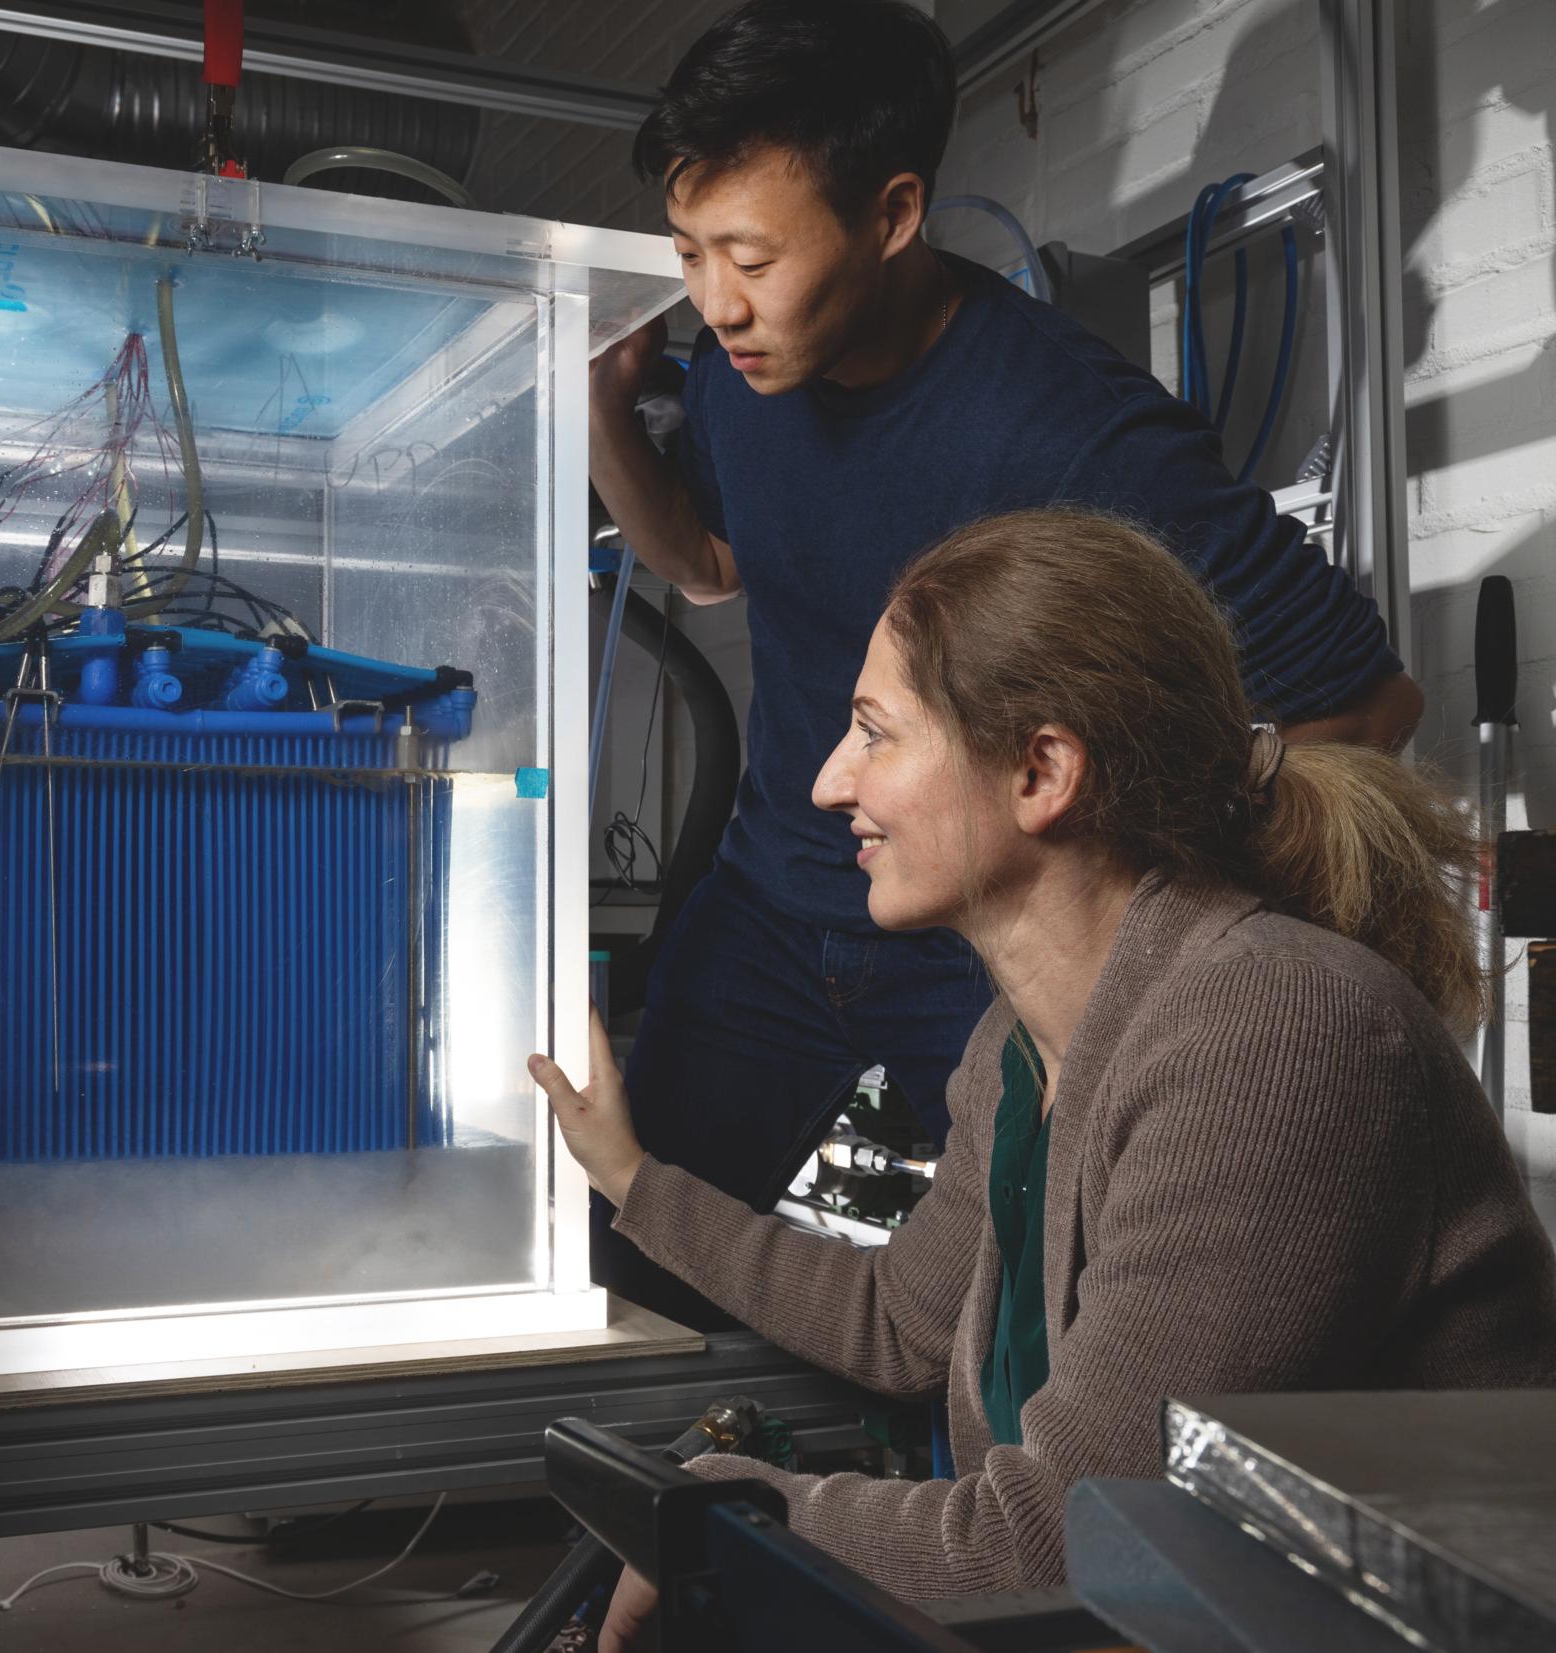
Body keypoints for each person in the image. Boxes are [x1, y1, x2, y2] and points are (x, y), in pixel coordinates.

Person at [528, 509, 1556, 1632]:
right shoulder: (1017, 1052)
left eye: (873, 733)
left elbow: (1058, 1539)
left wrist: (726, 1511)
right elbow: (896, 1321)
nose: (827, 783)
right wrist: (628, 1175)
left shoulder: (1274, 1034)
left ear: (1041, 771)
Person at [590, 0, 1423, 1331]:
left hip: (976, 945)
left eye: (750, 256)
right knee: (633, 1262)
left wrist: (1127, 899)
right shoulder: (739, 373)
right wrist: (597, 410)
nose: (714, 302)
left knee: (1022, 1327)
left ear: (892, 213)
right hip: (768, 911)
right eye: (689, 253)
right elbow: (706, 563)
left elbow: (1368, 701)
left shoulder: (1075, 433)